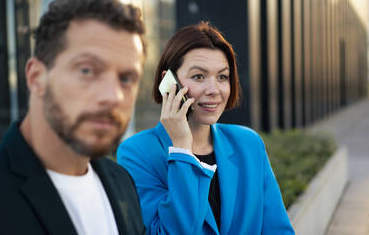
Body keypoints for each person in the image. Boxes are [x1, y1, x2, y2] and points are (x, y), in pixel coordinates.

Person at [117, 22, 295, 234]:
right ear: (168, 82)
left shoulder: (249, 144)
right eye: (198, 77)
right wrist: (182, 150)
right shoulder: (136, 153)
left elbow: (278, 229)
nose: (214, 90)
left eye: (222, 77)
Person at [0, 0, 146, 235]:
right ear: (36, 78)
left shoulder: (122, 182)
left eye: (126, 78)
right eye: (87, 70)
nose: (113, 96)